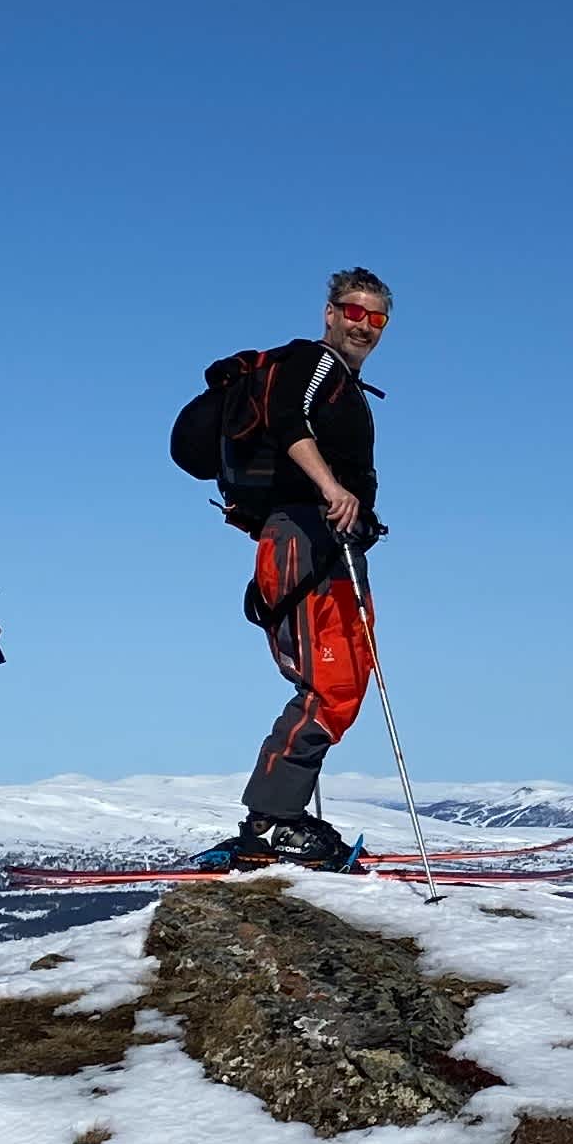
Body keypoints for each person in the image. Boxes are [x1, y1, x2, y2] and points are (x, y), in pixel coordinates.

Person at [210, 268, 394, 870]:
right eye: (354, 312)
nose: (363, 326)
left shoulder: (344, 383)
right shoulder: (316, 366)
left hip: (324, 540)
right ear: (330, 313)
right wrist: (331, 488)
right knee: (329, 683)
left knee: (345, 680)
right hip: (306, 539)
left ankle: (281, 815)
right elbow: (289, 424)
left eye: (376, 318)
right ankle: (270, 823)